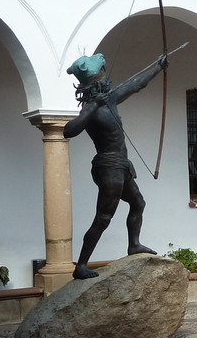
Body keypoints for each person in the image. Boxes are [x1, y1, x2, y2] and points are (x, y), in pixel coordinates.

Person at [64, 51, 167, 279]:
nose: (107, 81)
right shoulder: (91, 108)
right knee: (103, 218)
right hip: (108, 166)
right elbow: (68, 130)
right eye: (103, 79)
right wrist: (90, 109)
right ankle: (81, 265)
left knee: (138, 203)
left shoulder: (109, 98)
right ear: (95, 84)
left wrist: (157, 67)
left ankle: (134, 245)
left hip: (121, 165)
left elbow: (133, 85)